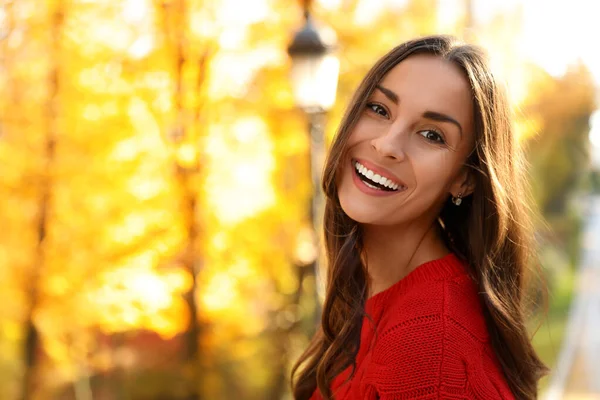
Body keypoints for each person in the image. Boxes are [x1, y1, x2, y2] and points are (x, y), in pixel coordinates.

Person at [290, 35, 548, 400]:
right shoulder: (368, 294)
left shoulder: (430, 348)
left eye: (432, 135)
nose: (387, 145)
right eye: (379, 110)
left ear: (465, 178)